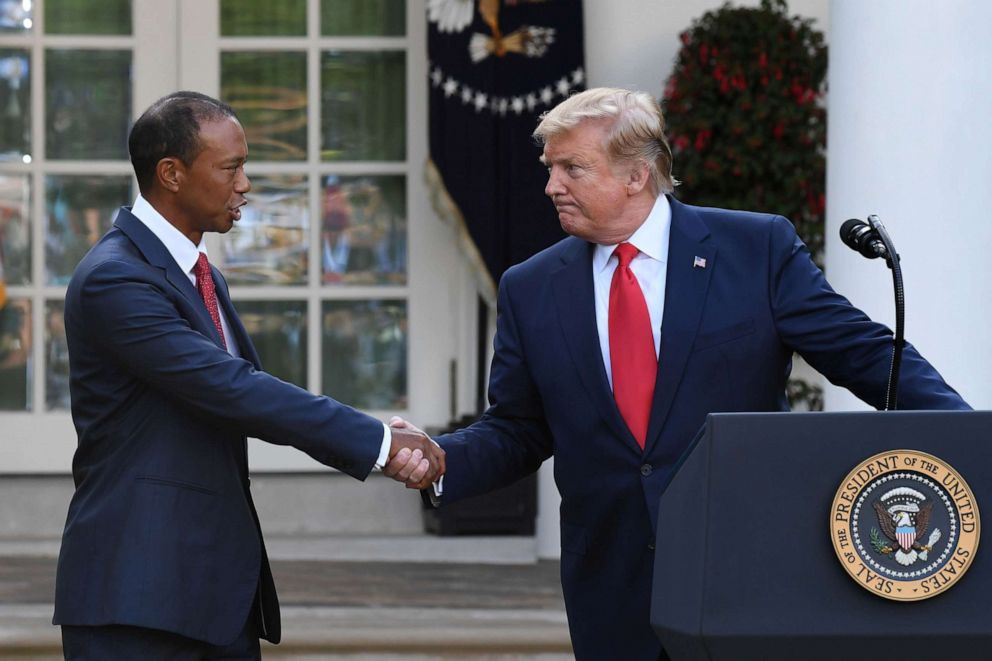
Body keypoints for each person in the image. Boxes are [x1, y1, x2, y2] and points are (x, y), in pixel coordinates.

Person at [395, 87, 969, 661]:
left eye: (572, 168)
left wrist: (969, 440)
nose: (551, 185)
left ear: (636, 175)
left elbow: (866, 355)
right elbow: (518, 428)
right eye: (551, 168)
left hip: (748, 575)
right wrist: (442, 459)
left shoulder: (755, 250)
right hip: (614, 592)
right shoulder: (530, 286)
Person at [52, 91, 443, 660]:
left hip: (209, 594)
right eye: (231, 167)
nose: (246, 185)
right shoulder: (117, 280)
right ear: (172, 174)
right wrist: (379, 443)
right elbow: (233, 390)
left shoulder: (197, 274)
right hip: (137, 597)